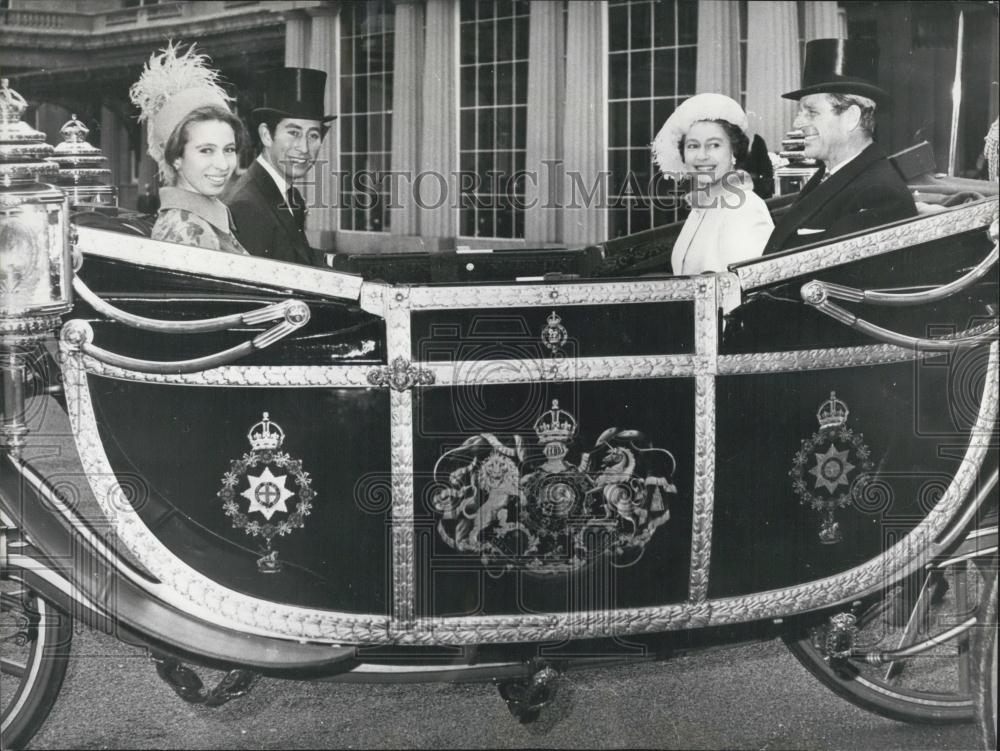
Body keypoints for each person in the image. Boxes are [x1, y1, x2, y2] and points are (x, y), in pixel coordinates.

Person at [763, 38, 916, 255]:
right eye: (800, 112)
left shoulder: (880, 195)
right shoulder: (831, 175)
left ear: (851, 117)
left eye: (811, 112)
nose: (797, 123)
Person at [129, 43, 248, 255]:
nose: (223, 165)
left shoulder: (199, 220)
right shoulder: (188, 232)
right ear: (176, 157)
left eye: (229, 149)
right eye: (206, 150)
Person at [651, 93, 774, 275]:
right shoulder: (703, 206)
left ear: (734, 151)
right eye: (693, 146)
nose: (702, 156)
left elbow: (746, 285)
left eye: (714, 145)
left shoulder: (744, 207)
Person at [226, 68, 336, 266]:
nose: (304, 148)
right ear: (266, 135)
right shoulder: (247, 206)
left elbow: (296, 257)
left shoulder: (288, 194)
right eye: (294, 133)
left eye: (313, 135)